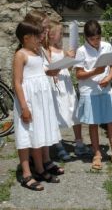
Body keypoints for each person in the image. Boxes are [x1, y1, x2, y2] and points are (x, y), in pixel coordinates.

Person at [74, 20, 112, 170]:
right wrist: (95, 71)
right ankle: (97, 154)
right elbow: (79, 74)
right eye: (92, 39)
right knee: (93, 123)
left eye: (98, 38)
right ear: (86, 38)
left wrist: (108, 78)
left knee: (111, 122)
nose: (96, 42)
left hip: (105, 89)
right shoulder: (81, 50)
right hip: (89, 90)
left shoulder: (106, 46)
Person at [13, 21, 62, 191]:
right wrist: (24, 107)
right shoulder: (21, 55)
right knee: (26, 136)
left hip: (41, 100)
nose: (41, 38)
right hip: (28, 101)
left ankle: (40, 168)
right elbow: (17, 83)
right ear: (26, 38)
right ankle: (26, 173)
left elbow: (41, 72)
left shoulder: (38, 51)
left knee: (38, 134)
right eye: (37, 36)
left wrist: (51, 72)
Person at [24, 10, 65, 176]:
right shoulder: (25, 50)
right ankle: (36, 161)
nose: (47, 31)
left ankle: (46, 159)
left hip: (44, 92)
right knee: (36, 130)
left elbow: (44, 69)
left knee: (46, 125)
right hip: (33, 95)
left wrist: (52, 71)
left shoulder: (40, 47)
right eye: (45, 27)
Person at [45, 20, 92, 160]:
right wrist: (66, 58)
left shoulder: (61, 50)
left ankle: (79, 142)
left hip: (67, 83)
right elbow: (50, 67)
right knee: (57, 113)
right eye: (60, 33)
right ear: (52, 35)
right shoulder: (47, 51)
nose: (61, 35)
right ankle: (58, 144)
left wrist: (71, 60)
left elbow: (67, 68)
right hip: (56, 84)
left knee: (74, 111)